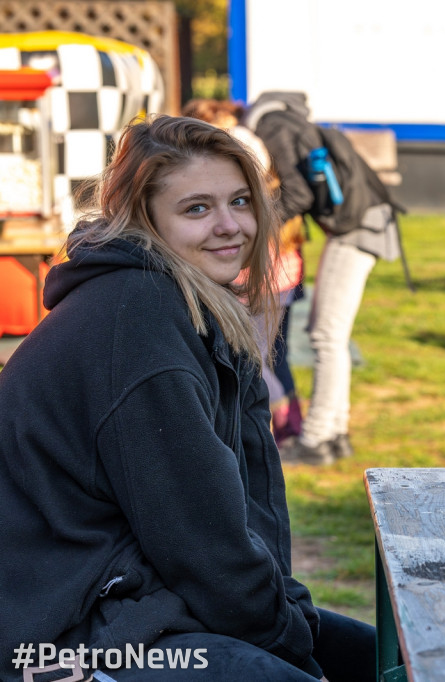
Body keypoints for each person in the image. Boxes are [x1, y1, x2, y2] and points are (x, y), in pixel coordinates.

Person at [0, 116, 375, 681]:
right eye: (196, 208)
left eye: (241, 201)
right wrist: (284, 640)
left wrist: (287, 617)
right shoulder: (139, 320)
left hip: (141, 595)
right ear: (144, 220)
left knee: (386, 660)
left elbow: (249, 507)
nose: (230, 226)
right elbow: (200, 543)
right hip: (58, 637)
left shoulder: (202, 305)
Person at [247, 91, 402, 465]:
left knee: (327, 336)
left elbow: (297, 193)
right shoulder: (290, 121)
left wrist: (254, 230)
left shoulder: (272, 126)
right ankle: (336, 433)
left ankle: (316, 440)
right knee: (328, 333)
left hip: (356, 229)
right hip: (365, 224)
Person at [182, 97, 306, 446]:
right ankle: (289, 425)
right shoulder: (269, 190)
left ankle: (277, 428)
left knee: (254, 359)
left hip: (262, 284)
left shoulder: (249, 200)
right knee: (271, 356)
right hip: (284, 279)